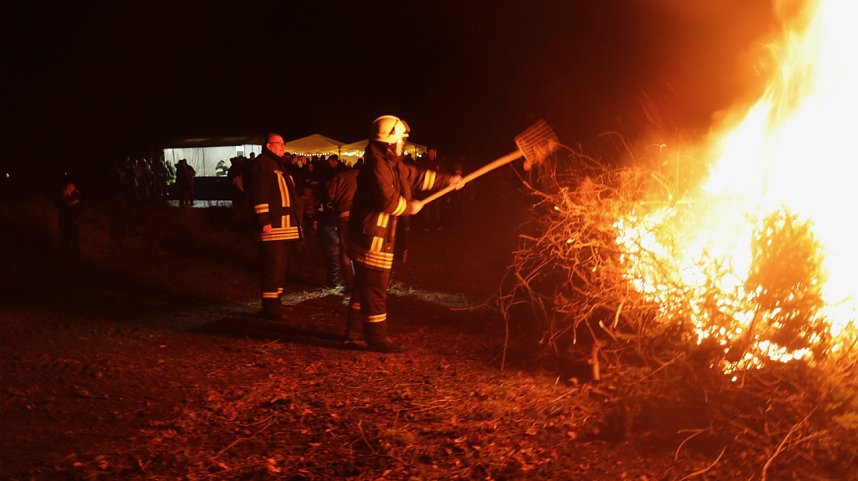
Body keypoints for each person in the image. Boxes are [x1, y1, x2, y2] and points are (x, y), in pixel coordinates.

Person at [346, 115, 464, 352]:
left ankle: (353, 333)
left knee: (364, 289)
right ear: (389, 140)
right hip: (371, 240)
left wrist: (448, 180)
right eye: (401, 139)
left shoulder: (393, 164)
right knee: (374, 290)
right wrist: (411, 207)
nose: (404, 143)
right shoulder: (376, 165)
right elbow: (388, 202)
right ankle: (377, 339)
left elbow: (420, 176)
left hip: (374, 237)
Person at [245, 133, 304, 320]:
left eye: (284, 143)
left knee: (279, 267)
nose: (283, 147)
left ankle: (276, 302)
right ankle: (271, 308)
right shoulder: (263, 165)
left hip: (283, 227)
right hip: (273, 228)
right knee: (272, 267)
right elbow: (259, 194)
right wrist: (264, 221)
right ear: (269, 146)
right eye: (280, 144)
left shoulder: (277, 165)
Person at [57, 179, 82, 256]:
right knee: (64, 237)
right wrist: (67, 198)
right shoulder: (63, 194)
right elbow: (62, 205)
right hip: (64, 219)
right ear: (67, 186)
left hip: (73, 220)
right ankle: (65, 253)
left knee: (74, 237)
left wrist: (76, 218)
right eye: (69, 186)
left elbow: (77, 206)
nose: (71, 188)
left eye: (72, 186)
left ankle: (76, 253)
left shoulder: (76, 194)